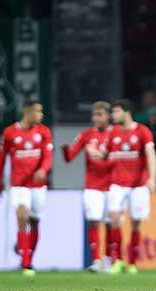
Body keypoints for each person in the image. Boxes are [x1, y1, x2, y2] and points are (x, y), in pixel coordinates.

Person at [0, 100, 53, 276]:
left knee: (34, 221)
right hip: (19, 184)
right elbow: (1, 159)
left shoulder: (43, 131)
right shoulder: (10, 132)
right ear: (27, 111)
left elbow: (48, 156)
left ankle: (30, 258)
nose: (41, 115)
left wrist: (43, 169)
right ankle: (25, 263)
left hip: (38, 186)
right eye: (38, 111)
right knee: (22, 216)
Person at [105, 99, 156, 275]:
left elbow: (151, 155)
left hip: (138, 185)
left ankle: (132, 262)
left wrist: (152, 178)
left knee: (135, 223)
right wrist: (100, 154)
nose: (113, 116)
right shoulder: (113, 133)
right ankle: (117, 259)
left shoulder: (142, 131)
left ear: (126, 112)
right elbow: (106, 154)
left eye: (116, 112)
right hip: (117, 183)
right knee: (113, 218)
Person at [61, 101, 112, 272]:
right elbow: (69, 158)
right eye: (94, 115)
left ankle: (111, 258)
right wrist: (65, 150)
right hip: (93, 186)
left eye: (100, 114)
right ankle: (97, 260)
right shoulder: (86, 135)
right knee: (94, 220)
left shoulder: (116, 134)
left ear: (108, 116)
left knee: (111, 222)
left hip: (113, 185)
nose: (96, 118)